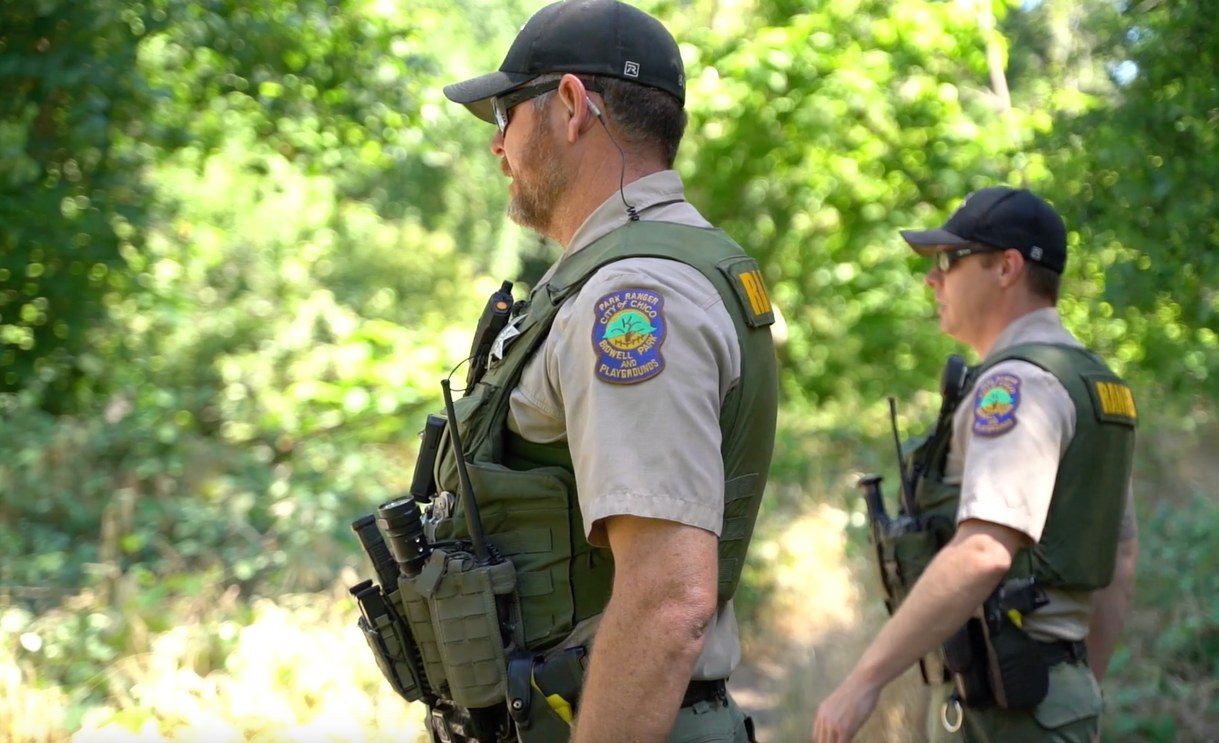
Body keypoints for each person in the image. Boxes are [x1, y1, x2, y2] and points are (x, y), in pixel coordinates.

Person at [427, 2, 777, 742]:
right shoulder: (625, 274)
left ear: (569, 105)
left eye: (505, 114)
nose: (497, 147)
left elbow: (667, 598)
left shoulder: (632, 296)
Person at [813, 187, 1139, 743]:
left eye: (948, 260)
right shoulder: (1094, 384)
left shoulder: (1016, 388)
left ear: (1007, 267)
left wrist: (862, 682)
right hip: (1050, 700)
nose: (931, 280)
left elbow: (985, 550)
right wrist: (1080, 688)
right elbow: (1121, 557)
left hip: (1006, 710)